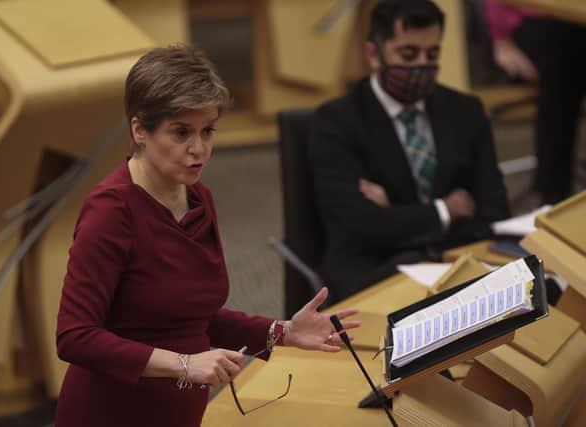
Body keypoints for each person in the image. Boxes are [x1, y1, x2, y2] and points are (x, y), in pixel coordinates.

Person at [55, 45, 360, 427]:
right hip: (112, 412)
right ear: (139, 130)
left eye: (207, 131)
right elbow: (74, 336)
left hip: (180, 409)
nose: (198, 149)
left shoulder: (198, 197)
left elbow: (189, 317)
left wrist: (281, 332)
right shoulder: (111, 212)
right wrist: (184, 364)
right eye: (181, 132)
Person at [308, 0, 510, 302]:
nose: (421, 65)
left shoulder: (466, 111)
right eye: (408, 53)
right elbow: (361, 226)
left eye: (432, 54)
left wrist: (394, 211)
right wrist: (445, 210)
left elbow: (493, 209)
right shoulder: (336, 122)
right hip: (375, 273)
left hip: (457, 261)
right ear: (374, 54)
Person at [484, 0, 586, 204]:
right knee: (563, 54)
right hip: (538, 22)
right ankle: (553, 193)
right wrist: (500, 39)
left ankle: (553, 188)